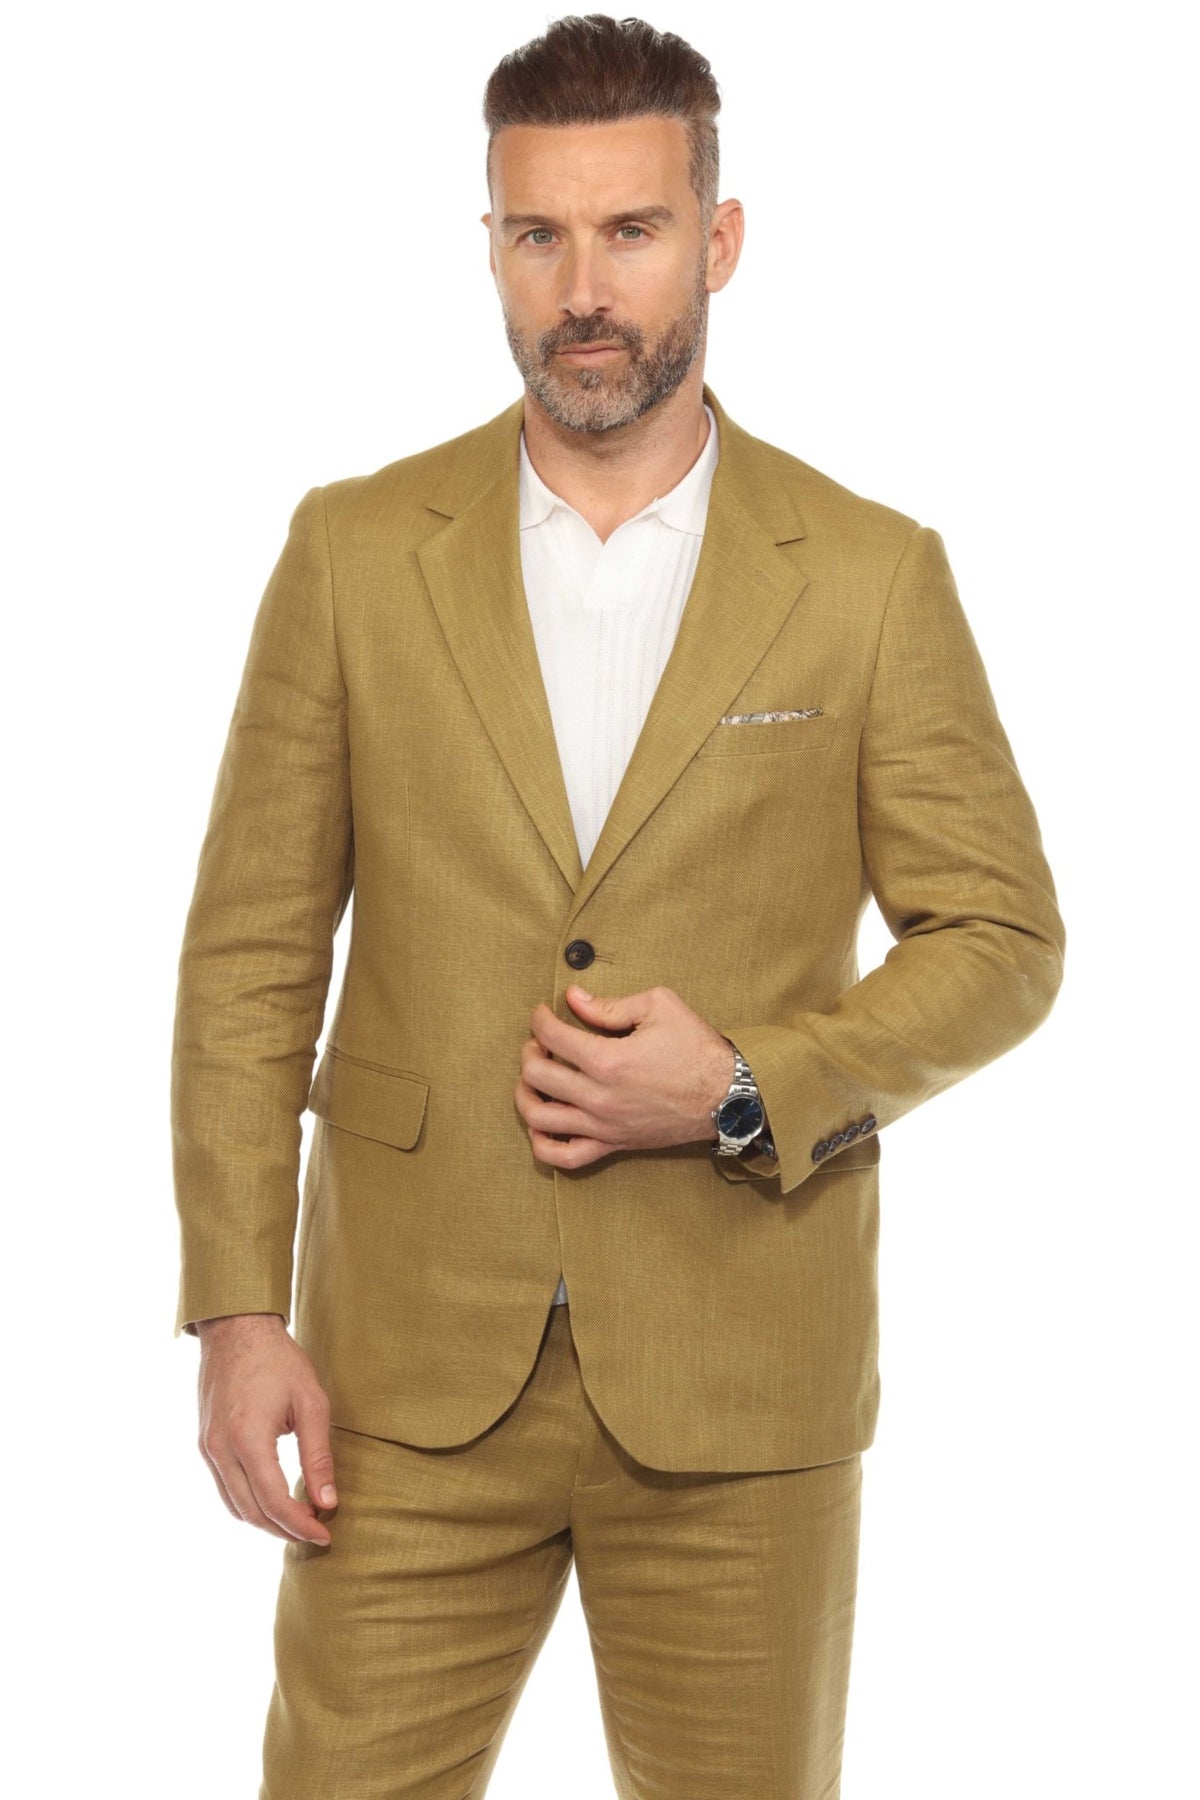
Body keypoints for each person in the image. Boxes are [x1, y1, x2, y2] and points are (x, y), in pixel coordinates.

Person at [171, 14, 1067, 1797]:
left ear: (717, 241)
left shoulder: (870, 575)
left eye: (632, 231)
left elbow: (1002, 937)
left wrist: (742, 1085)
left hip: (744, 1374)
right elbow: (252, 957)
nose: (583, 290)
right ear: (492, 244)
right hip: (405, 1380)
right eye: (540, 235)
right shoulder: (352, 552)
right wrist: (236, 1314)